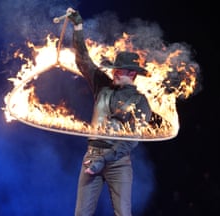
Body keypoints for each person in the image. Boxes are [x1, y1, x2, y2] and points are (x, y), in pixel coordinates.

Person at [66, 7, 153, 216]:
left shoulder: (141, 102)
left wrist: (104, 160)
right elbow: (83, 60)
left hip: (118, 163)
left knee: (123, 214)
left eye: (119, 70)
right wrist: (78, 28)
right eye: (114, 68)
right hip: (91, 155)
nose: (114, 72)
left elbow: (131, 139)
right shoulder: (102, 86)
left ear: (132, 73)